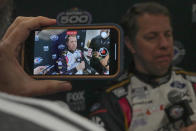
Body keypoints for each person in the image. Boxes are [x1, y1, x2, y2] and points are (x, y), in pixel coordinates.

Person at [88, 2, 196, 131]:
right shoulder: (114, 101)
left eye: (168, 35)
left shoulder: (193, 84)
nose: (164, 44)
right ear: (130, 44)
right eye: (152, 37)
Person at [0, 0, 105, 130]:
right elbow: (62, 72)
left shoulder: (81, 53)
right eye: (71, 42)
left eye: (75, 41)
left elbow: (87, 67)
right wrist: (76, 68)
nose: (74, 44)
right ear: (67, 43)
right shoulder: (62, 58)